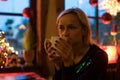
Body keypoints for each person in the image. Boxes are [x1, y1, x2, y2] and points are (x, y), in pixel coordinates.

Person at [44, 8, 108, 80]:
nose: (65, 33)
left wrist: (68, 64)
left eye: (71, 27)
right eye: (61, 28)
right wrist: (58, 66)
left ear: (84, 30)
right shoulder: (62, 55)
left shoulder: (99, 56)